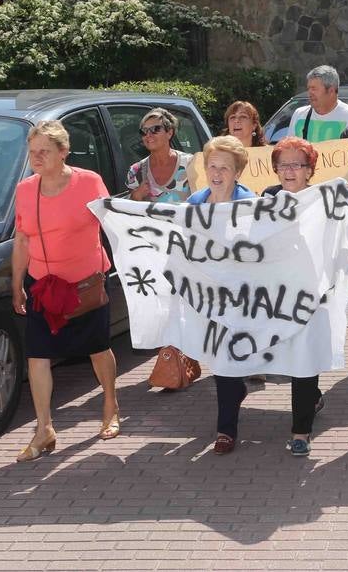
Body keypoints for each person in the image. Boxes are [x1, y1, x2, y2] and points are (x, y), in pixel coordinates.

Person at [11, 120, 119, 462]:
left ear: (63, 152)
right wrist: (17, 284)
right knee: (37, 355)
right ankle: (44, 429)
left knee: (98, 348)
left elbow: (115, 226)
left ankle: (110, 404)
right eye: (32, 152)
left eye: (44, 151)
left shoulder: (89, 183)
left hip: (85, 284)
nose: (36, 158)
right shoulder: (25, 189)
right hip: (43, 285)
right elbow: (22, 239)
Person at [185, 136, 259, 455]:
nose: (217, 174)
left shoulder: (251, 205)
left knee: (240, 358)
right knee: (221, 361)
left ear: (237, 172)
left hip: (244, 296)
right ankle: (230, 415)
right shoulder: (194, 204)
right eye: (212, 166)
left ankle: (225, 429)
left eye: (224, 168)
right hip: (208, 297)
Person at [259, 136, 328, 457]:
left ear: (309, 170)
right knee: (291, 355)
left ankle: (300, 431)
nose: (289, 171)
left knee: (303, 356)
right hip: (277, 292)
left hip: (311, 293)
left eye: (296, 164)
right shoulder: (266, 198)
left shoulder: (322, 200)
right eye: (282, 164)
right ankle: (312, 397)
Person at [127, 108, 194, 203]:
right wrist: (137, 195)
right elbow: (127, 211)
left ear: (169, 133)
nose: (148, 134)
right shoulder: (135, 171)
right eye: (144, 131)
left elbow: (205, 202)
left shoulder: (190, 163)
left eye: (155, 129)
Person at [291, 65, 348, 142]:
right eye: (309, 88)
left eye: (314, 89)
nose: (310, 93)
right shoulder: (299, 114)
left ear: (331, 91)